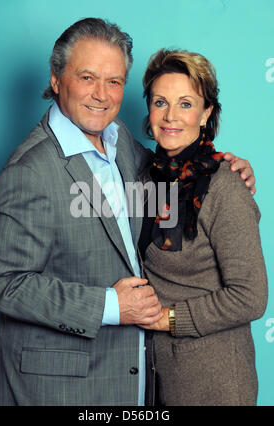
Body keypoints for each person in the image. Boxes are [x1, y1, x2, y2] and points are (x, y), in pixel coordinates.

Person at [0, 18, 255, 406]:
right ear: (57, 79)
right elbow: (5, 283)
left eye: (114, 81)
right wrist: (111, 306)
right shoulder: (29, 171)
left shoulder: (120, 138)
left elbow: (179, 170)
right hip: (57, 390)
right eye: (87, 77)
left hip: (135, 381)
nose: (101, 94)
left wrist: (227, 166)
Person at [138, 49, 268, 406]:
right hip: (155, 379)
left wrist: (169, 319)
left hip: (216, 384)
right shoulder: (143, 175)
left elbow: (251, 296)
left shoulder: (224, 186)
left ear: (206, 112)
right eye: (160, 102)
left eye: (185, 103)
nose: (170, 116)